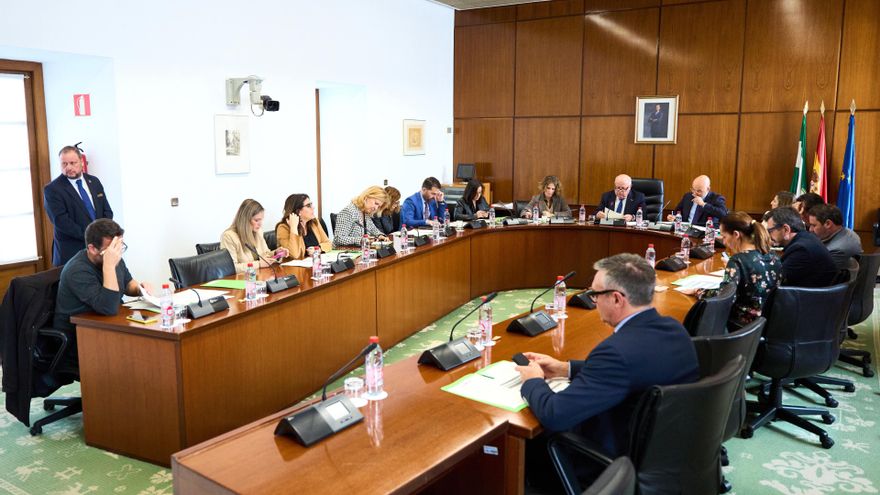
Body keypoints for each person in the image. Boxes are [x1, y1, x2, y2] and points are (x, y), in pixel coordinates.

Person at [516, 254, 699, 473]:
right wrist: (566, 368)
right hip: (669, 454)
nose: (593, 300)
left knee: (521, 443)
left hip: (613, 463)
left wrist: (533, 381)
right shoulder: (674, 329)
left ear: (616, 299)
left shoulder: (614, 352)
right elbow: (636, 370)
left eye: (595, 294)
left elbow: (555, 414)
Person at [54, 219, 154, 361]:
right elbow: (109, 307)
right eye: (112, 250)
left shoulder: (112, 257)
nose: (117, 254)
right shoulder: (77, 270)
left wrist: (140, 289)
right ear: (92, 249)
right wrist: (109, 266)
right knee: (138, 353)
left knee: (149, 343)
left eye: (119, 247)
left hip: (106, 325)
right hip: (79, 336)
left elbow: (127, 284)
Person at [706, 212, 782, 329]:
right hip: (770, 324)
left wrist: (699, 291)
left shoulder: (738, 260)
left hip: (743, 326)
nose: (724, 242)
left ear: (736, 234)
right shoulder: (774, 257)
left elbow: (725, 297)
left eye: (724, 237)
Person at [43, 145, 115, 266]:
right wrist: (93, 238)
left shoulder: (94, 181)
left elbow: (107, 211)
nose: (69, 167)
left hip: (99, 250)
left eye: (73, 163)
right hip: (71, 253)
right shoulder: (52, 189)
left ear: (81, 162)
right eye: (64, 164)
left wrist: (103, 236)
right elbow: (62, 222)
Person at [765, 207, 837, 287]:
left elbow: (775, 281)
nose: (768, 236)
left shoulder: (801, 249)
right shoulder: (806, 238)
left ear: (786, 229)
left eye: (770, 231)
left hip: (810, 297)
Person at [221, 199, 289, 273]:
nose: (260, 224)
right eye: (256, 220)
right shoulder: (229, 236)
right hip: (243, 280)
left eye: (261, 220)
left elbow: (265, 254)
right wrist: (259, 264)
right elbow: (232, 267)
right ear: (245, 220)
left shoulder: (258, 231)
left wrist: (276, 253)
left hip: (261, 276)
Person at [275, 194, 332, 260]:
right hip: (294, 268)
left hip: (314, 264)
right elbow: (294, 255)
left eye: (311, 204)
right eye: (308, 206)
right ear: (298, 211)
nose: (313, 207)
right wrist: (293, 228)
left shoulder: (314, 222)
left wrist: (318, 249)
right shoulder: (283, 228)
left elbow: (328, 244)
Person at [807, 204, 863, 270]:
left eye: (813, 225)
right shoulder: (850, 233)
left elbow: (819, 274)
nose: (810, 229)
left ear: (828, 224)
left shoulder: (836, 249)